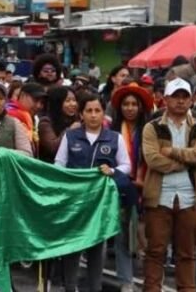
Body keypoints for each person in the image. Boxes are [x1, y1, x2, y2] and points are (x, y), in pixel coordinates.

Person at [55, 93, 131, 292]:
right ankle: (70, 287)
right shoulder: (70, 137)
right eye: (88, 110)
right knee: (72, 247)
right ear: (81, 114)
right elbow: (59, 165)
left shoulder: (115, 138)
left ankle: (95, 288)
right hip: (75, 203)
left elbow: (126, 166)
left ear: (103, 113)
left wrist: (112, 171)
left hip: (100, 205)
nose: (93, 115)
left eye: (97, 110)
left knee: (98, 248)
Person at [141, 79, 196, 292]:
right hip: (159, 197)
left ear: (191, 100)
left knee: (188, 253)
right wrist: (187, 162)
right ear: (166, 99)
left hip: (191, 198)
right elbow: (153, 160)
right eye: (175, 96)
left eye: (184, 97)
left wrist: (172, 153)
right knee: (155, 252)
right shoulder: (152, 127)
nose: (180, 101)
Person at [110, 82, 154, 292]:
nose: (129, 108)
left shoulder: (150, 131)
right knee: (122, 236)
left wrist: (144, 181)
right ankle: (126, 281)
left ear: (141, 107)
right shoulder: (111, 131)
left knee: (148, 239)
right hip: (121, 189)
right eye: (125, 104)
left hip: (147, 188)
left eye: (134, 104)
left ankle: (150, 280)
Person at [37, 86, 79, 163]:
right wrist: (70, 130)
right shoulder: (46, 122)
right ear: (57, 103)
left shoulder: (78, 121)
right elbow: (53, 149)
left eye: (74, 100)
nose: (72, 104)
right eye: (68, 101)